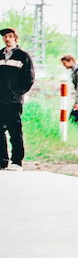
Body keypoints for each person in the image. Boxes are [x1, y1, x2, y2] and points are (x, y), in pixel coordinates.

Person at [0, 28, 34, 172]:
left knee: (15, 132)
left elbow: (29, 78)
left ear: (15, 38)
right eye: (5, 37)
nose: (7, 39)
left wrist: (17, 94)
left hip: (13, 101)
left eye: (10, 36)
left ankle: (17, 161)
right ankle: (2, 161)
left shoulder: (23, 56)